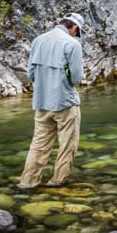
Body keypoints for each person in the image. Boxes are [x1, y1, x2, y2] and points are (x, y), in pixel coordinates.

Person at [16, 12, 86, 190]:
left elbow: (31, 74)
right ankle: (58, 181)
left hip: (41, 103)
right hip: (65, 104)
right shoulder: (73, 44)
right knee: (67, 145)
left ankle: (28, 183)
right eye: (77, 32)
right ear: (74, 27)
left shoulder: (38, 40)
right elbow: (76, 79)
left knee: (38, 145)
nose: (75, 35)